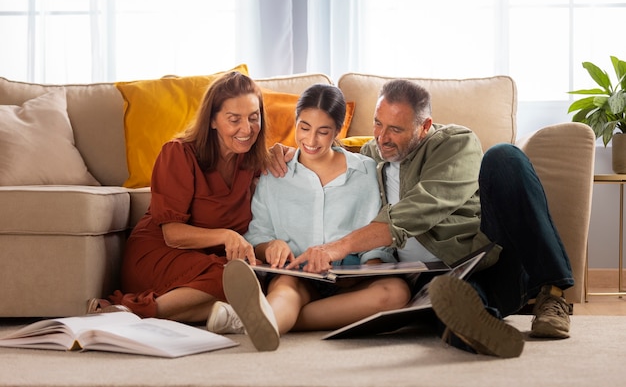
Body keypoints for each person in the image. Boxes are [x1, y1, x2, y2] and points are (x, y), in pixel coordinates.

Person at [269, 79, 573, 358]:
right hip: (435, 282)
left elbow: (420, 208)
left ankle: (553, 294)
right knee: (449, 306)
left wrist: (339, 247)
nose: (382, 138)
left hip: (483, 260)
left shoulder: (455, 143)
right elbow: (326, 151)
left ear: (424, 126)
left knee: (505, 156)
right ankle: (479, 324)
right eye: (378, 124)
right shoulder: (370, 155)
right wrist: (287, 152)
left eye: (396, 130)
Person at [217, 84, 411, 351]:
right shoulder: (276, 172)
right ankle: (271, 319)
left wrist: (373, 264)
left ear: (338, 131)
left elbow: (375, 233)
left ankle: (256, 320)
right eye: (304, 127)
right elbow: (258, 234)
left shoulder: (365, 171)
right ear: (295, 123)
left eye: (323, 132)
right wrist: (271, 245)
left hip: (349, 279)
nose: (310, 140)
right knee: (285, 289)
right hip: (297, 276)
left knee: (397, 293)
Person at [87, 71, 269, 327]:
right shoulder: (179, 153)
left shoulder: (253, 160)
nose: (247, 129)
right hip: (160, 252)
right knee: (235, 277)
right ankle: (133, 312)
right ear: (213, 120)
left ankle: (220, 312)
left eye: (253, 117)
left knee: (258, 276)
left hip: (206, 262)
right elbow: (172, 234)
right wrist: (227, 235)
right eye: (234, 119)